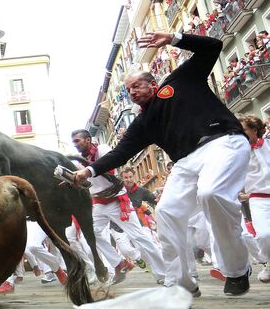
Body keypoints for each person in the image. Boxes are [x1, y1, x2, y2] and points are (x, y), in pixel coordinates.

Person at [74, 32, 251, 297]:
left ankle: (237, 271)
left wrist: (173, 38)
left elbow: (213, 46)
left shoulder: (180, 80)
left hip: (223, 142)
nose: (132, 93)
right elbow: (120, 153)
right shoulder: (143, 123)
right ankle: (182, 282)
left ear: (153, 83)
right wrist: (88, 170)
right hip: (185, 163)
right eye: (128, 90)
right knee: (167, 212)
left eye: (136, 86)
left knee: (211, 193)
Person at [71, 129, 165, 285]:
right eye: (73, 142)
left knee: (140, 237)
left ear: (88, 140)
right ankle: (119, 264)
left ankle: (163, 273)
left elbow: (109, 164)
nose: (75, 145)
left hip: (117, 201)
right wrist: (71, 179)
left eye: (77, 141)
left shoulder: (103, 149)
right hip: (99, 204)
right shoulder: (78, 161)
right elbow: (83, 182)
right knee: (90, 233)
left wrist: (85, 170)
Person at [237, 114, 270, 283]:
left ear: (254, 129)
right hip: (258, 198)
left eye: (243, 130)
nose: (240, 134)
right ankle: (268, 262)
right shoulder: (239, 154)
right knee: (264, 234)